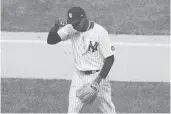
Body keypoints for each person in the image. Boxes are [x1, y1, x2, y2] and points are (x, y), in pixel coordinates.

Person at [47, 6, 116, 113]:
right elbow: (51, 40)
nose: (74, 25)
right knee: (72, 111)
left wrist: (96, 82)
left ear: (84, 18)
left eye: (76, 23)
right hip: (78, 76)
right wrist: (56, 26)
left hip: (98, 76)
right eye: (72, 23)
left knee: (108, 110)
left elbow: (110, 59)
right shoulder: (71, 28)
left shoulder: (100, 32)